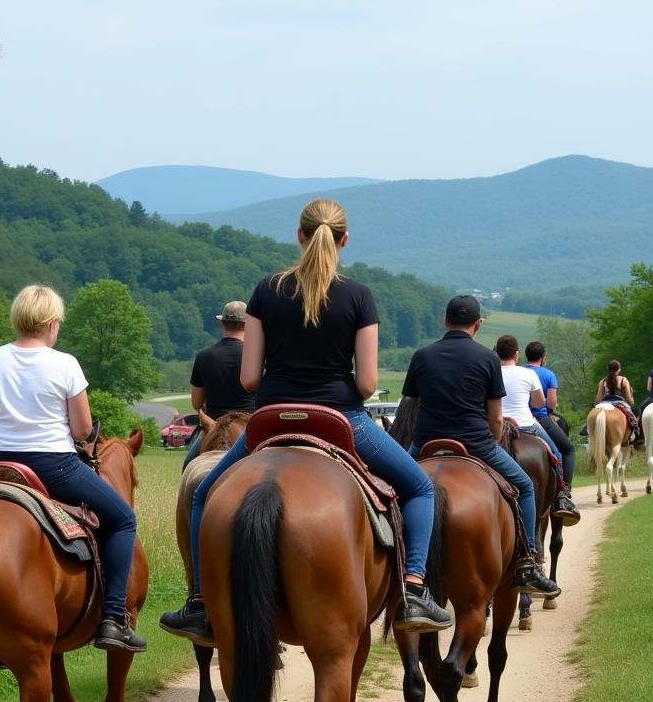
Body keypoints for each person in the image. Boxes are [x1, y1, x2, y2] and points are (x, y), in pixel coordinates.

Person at [159, 198, 452, 644]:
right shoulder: (358, 296)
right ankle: (413, 591)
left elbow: (250, 378)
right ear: (345, 240)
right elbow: (369, 384)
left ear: (298, 235)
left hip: (271, 420)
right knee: (419, 487)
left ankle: (200, 603)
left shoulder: (265, 291)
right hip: (341, 418)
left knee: (203, 496)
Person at [0, 284, 146, 653]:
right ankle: (115, 618)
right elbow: (82, 430)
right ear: (51, 323)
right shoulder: (65, 363)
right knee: (123, 519)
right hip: (52, 466)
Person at [402, 297, 560, 597]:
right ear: (478, 324)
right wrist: (492, 437)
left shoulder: (422, 355)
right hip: (476, 444)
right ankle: (528, 564)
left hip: (425, 444)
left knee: (386, 488)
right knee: (525, 487)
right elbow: (496, 417)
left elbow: (413, 403)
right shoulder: (487, 359)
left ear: (444, 320)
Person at [496, 335, 579, 523]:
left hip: (497, 425)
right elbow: (540, 403)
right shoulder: (530, 374)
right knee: (557, 453)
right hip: (527, 424)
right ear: (516, 355)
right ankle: (561, 496)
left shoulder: (490, 371)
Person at [182, 300, 257, 469]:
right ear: (247, 325)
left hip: (214, 427)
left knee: (189, 465)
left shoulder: (204, 357)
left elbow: (196, 403)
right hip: (250, 428)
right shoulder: (257, 357)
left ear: (222, 323)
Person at [524, 340, 577, 489]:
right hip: (540, 419)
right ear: (543, 357)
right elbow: (551, 404)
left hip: (517, 419)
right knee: (568, 449)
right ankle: (564, 491)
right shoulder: (549, 374)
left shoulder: (520, 371)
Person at [583, 359, 639, 439]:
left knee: (592, 413)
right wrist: (631, 401)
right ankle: (636, 433)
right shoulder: (624, 380)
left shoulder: (603, 381)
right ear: (619, 369)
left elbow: (598, 399)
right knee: (635, 414)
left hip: (604, 403)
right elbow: (629, 400)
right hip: (620, 403)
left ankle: (587, 428)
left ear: (607, 369)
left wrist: (595, 405)